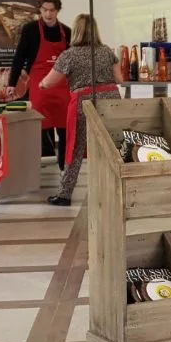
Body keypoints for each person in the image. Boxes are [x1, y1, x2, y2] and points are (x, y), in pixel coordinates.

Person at [39, 14, 123, 206]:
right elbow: (119, 79)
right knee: (115, 145)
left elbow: (49, 82)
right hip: (111, 100)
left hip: (83, 102)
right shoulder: (107, 52)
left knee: (75, 147)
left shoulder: (69, 55)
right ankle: (118, 189)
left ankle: (64, 195)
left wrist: (41, 84)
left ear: (76, 31)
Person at [8, 0, 71, 166]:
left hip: (62, 85)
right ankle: (38, 164)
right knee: (39, 124)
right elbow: (19, 57)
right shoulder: (30, 29)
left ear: (57, 11)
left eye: (52, 10)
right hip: (39, 83)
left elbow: (72, 61)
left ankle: (63, 166)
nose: (48, 14)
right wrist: (12, 83)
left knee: (64, 126)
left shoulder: (66, 32)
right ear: (40, 10)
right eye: (45, 10)